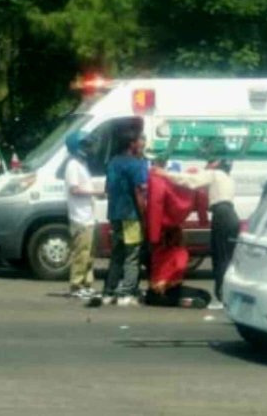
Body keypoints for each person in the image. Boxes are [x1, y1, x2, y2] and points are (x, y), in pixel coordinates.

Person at [154, 158, 238, 310]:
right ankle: (226, 297)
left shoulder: (215, 174)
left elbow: (190, 181)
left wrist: (165, 174)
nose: (207, 165)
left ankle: (222, 298)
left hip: (222, 214)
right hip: (231, 216)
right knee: (226, 257)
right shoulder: (227, 178)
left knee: (220, 258)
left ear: (216, 165)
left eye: (211, 162)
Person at [101, 129, 147, 307]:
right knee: (132, 254)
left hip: (114, 215)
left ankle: (109, 290)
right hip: (131, 216)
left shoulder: (113, 162)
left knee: (117, 253)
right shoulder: (135, 164)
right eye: (140, 140)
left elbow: (107, 189)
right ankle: (127, 292)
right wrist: (143, 217)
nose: (142, 143)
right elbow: (139, 192)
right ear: (132, 144)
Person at [63, 131, 103, 299]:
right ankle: (76, 285)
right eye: (85, 144)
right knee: (81, 252)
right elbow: (75, 189)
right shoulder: (72, 165)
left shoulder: (82, 164)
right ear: (77, 146)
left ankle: (87, 283)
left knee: (89, 253)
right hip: (79, 216)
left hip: (88, 215)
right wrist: (95, 192)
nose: (88, 147)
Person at [144, 226, 211, 309]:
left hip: (152, 293)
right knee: (204, 294)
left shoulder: (157, 251)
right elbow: (180, 267)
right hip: (170, 290)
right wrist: (167, 282)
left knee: (156, 298)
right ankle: (185, 302)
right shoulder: (180, 252)